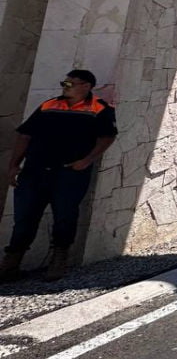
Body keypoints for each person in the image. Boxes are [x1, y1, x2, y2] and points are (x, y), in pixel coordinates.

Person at [1, 70, 117, 282]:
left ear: (87, 86)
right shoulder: (49, 105)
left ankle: (58, 260)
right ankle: (10, 264)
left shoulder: (99, 109)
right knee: (24, 219)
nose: (65, 86)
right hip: (35, 171)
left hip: (69, 173)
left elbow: (107, 137)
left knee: (64, 217)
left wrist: (87, 160)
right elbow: (25, 135)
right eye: (65, 82)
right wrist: (14, 165)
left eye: (71, 83)